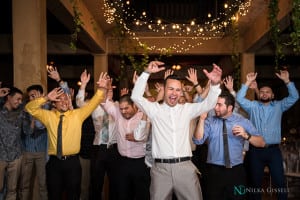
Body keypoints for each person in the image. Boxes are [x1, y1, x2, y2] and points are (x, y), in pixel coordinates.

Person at [131, 61, 222, 200]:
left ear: (181, 92)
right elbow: (136, 97)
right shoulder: (154, 109)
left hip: (184, 168)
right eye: (171, 89)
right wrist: (146, 73)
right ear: (164, 89)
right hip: (160, 170)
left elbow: (209, 104)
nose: (174, 93)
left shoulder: (187, 109)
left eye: (178, 90)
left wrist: (215, 85)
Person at [25, 72, 109, 200]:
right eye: (60, 99)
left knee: (74, 195)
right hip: (53, 163)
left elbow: (94, 102)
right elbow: (29, 108)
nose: (64, 101)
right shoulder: (48, 116)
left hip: (73, 163)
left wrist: (102, 88)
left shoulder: (77, 115)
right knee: (54, 195)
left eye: (66, 98)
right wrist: (46, 97)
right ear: (54, 103)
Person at [236, 70, 299, 200]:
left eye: (267, 92)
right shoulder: (252, 106)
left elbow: (294, 97)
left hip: (273, 150)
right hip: (255, 151)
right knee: (255, 185)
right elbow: (239, 98)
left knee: (280, 182)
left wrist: (287, 81)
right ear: (259, 94)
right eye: (262, 92)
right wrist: (247, 82)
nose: (264, 94)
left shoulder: (279, 106)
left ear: (272, 95)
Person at [193, 91, 265, 200]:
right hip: (214, 172)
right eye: (215, 104)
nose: (215, 107)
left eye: (219, 105)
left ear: (230, 107)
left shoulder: (243, 121)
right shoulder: (209, 121)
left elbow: (261, 143)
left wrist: (247, 135)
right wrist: (202, 120)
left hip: (236, 172)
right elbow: (198, 141)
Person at [75, 70, 118, 200]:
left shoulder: (118, 106)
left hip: (114, 148)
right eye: (106, 90)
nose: (108, 92)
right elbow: (79, 103)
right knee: (96, 183)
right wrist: (83, 85)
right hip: (98, 148)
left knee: (115, 183)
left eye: (110, 90)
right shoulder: (94, 106)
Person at [102, 93, 150, 200]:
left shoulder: (144, 115)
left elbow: (152, 136)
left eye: (126, 108)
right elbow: (104, 102)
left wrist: (139, 138)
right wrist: (104, 88)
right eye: (121, 109)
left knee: (142, 194)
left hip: (140, 163)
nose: (123, 111)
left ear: (134, 105)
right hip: (122, 162)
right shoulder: (118, 113)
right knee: (123, 193)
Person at [19, 84, 49, 200]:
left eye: (34, 96)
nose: (32, 99)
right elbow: (27, 131)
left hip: (42, 152)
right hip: (28, 151)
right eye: (30, 96)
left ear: (41, 95)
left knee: (43, 184)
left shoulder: (47, 108)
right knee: (25, 184)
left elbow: (42, 126)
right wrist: (32, 117)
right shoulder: (25, 109)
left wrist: (39, 106)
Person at [0, 87, 24, 200]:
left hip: (16, 157)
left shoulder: (21, 111)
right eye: (17, 99)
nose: (20, 102)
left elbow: (28, 131)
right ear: (8, 97)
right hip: (0, 157)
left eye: (21, 100)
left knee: (12, 190)